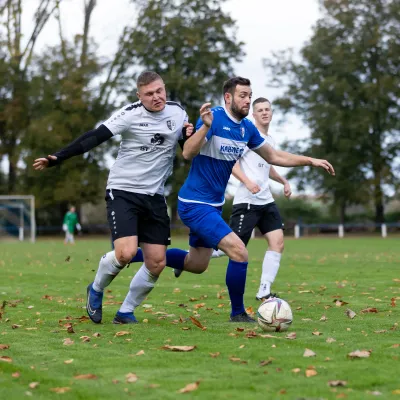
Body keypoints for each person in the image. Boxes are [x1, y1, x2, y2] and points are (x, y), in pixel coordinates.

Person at [125, 76, 334, 324]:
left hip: (213, 205)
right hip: (194, 204)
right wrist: (204, 127)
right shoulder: (214, 118)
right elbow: (188, 152)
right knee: (239, 251)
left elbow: (274, 156)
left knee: (197, 263)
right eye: (243, 95)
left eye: (249, 95)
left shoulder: (247, 128)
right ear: (228, 97)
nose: (247, 100)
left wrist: (310, 160)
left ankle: (136, 255)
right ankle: (237, 313)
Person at [33, 71, 193, 325]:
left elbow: (187, 146)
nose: (156, 97)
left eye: (159, 91)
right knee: (126, 253)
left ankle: (126, 311)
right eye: (149, 94)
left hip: (155, 196)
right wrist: (58, 157)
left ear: (165, 89)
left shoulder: (177, 112)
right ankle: (95, 289)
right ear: (139, 96)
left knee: (157, 262)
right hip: (123, 191)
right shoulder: (129, 114)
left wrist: (191, 133)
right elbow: (94, 137)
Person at [204, 97, 291, 301]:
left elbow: (268, 167)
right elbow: (231, 162)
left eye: (267, 109)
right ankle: (190, 258)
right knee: (230, 248)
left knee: (277, 242)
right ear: (254, 114)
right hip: (247, 202)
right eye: (259, 110)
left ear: (271, 112)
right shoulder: (246, 135)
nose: (264, 113)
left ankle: (264, 290)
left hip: (266, 201)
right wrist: (247, 181)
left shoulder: (269, 140)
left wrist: (283, 181)